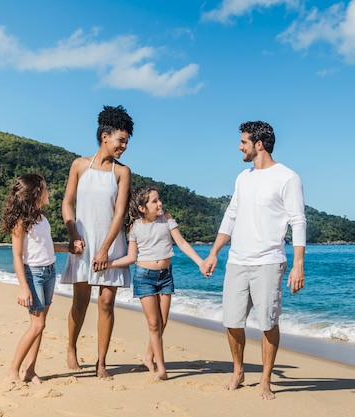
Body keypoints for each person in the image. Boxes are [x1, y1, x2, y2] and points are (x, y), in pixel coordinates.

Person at [200, 121, 306, 400]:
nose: (240, 146)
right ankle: (238, 370)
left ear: (259, 144)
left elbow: (298, 221)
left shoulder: (287, 177)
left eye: (244, 142)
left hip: (269, 262)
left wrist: (298, 263)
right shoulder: (242, 178)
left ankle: (265, 380)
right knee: (232, 321)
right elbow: (230, 216)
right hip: (237, 261)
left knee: (268, 322)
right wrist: (214, 253)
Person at [60, 105, 134, 379]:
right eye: (121, 140)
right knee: (80, 302)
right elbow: (67, 204)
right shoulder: (79, 165)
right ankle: (71, 347)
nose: (124, 146)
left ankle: (101, 362)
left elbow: (120, 213)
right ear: (105, 136)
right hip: (82, 242)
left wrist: (104, 248)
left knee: (105, 303)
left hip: (111, 245)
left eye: (126, 142)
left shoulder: (122, 172)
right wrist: (73, 235)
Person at [107, 185, 205, 380]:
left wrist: (200, 262)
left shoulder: (167, 219)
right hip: (144, 277)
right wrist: (107, 264)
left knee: (163, 322)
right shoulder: (135, 227)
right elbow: (131, 257)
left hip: (165, 276)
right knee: (153, 324)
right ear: (142, 207)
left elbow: (183, 243)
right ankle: (161, 368)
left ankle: (148, 356)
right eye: (154, 201)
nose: (159, 203)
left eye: (159, 199)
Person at [1, 173, 70, 384]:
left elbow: (47, 246)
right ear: (35, 193)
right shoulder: (20, 222)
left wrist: (69, 249)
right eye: (45, 188)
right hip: (34, 274)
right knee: (37, 325)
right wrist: (23, 287)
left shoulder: (42, 218)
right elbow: (17, 256)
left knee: (40, 324)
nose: (48, 191)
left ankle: (30, 371)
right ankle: (13, 371)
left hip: (49, 271)